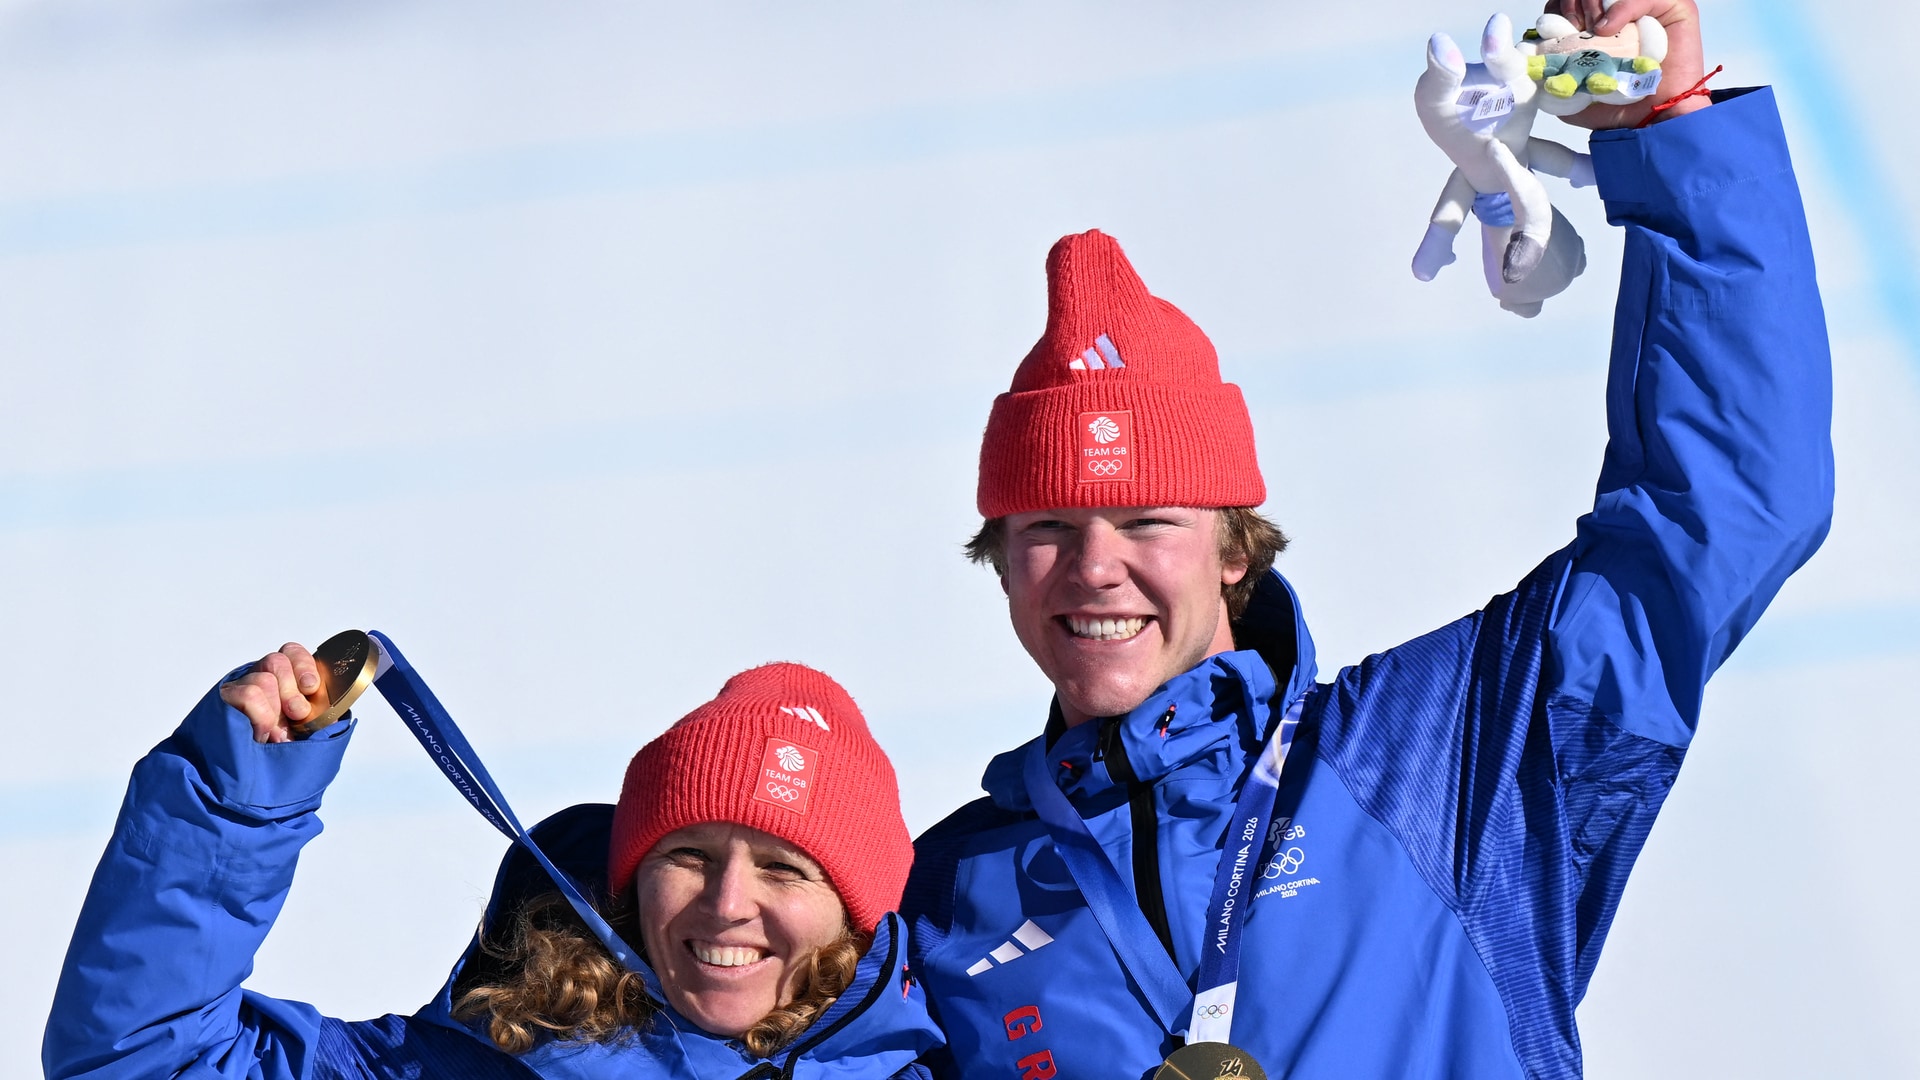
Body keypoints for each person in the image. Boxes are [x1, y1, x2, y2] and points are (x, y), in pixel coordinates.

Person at [899, 1, 1833, 1077]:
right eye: (1048, 527)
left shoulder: (1447, 759)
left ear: (1235, 550)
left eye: (1148, 519)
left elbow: (1726, 505)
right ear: (1002, 559)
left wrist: (1664, 127)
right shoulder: (940, 907)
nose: (1095, 566)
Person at [44, 652, 942, 1079]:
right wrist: (235, 804)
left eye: (785, 869)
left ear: (855, 913)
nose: (728, 903)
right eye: (689, 855)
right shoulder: (479, 1059)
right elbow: (144, 1061)